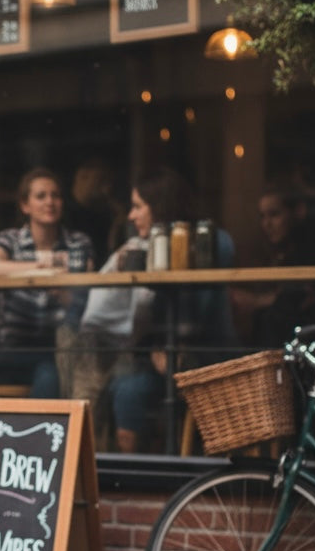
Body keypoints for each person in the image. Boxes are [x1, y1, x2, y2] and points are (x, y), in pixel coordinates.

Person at [102, 169, 237, 453]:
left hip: (208, 356)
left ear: (160, 205)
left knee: (134, 388)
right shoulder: (145, 247)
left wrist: (172, 348)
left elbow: (204, 310)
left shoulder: (212, 239)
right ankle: (135, 473)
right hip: (162, 356)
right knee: (125, 389)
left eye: (138, 206)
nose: (131, 216)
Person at [0, 168, 94, 397]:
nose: (49, 202)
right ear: (25, 205)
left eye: (55, 195)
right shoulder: (10, 240)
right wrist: (39, 269)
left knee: (51, 375)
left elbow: (89, 299)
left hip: (59, 345)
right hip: (13, 347)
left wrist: (63, 293)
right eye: (41, 196)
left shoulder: (79, 243)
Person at [230, 180, 315, 347]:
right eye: (262, 216)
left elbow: (298, 298)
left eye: (274, 214)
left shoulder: (312, 255)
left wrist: (256, 301)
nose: (267, 224)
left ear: (299, 211)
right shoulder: (271, 256)